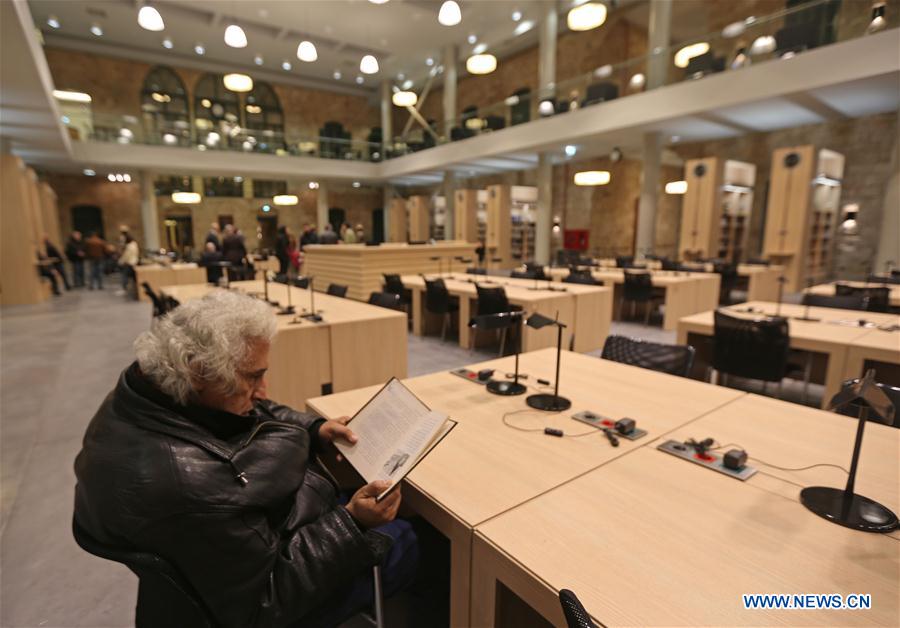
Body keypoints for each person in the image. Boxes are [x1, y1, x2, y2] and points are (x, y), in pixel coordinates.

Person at [73, 291, 419, 627]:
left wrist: (314, 428)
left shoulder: (150, 389)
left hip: (218, 563)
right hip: (261, 600)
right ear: (198, 372)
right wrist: (352, 524)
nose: (265, 390)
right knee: (409, 536)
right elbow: (266, 601)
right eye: (253, 376)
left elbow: (256, 411)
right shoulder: (189, 485)